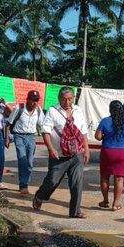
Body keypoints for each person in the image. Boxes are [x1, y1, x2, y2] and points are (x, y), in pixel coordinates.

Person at [33, 87, 90, 218]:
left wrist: (86, 149)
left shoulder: (78, 110)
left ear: (73, 98)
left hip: (77, 154)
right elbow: (45, 131)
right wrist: (51, 149)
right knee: (52, 181)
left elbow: (83, 131)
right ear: (59, 99)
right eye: (64, 99)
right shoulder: (53, 111)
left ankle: (75, 211)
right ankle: (40, 196)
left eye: (70, 99)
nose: (67, 102)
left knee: (77, 182)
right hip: (59, 155)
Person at [96, 100, 124, 211]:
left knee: (105, 177)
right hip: (123, 152)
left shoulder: (105, 121)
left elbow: (98, 137)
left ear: (110, 109)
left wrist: (105, 136)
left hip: (108, 151)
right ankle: (116, 204)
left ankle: (105, 201)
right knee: (119, 179)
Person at [5, 90, 45, 194]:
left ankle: (25, 182)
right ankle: (23, 185)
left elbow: (43, 125)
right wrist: (7, 138)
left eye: (36, 100)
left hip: (31, 137)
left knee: (30, 162)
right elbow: (8, 123)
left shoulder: (39, 111)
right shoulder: (19, 108)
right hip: (19, 136)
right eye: (32, 100)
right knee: (22, 160)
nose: (34, 103)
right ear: (28, 99)